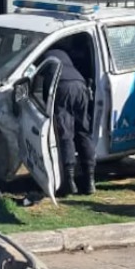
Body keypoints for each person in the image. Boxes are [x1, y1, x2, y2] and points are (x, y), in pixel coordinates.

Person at [42, 46, 95, 196]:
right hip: (80, 85)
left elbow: (45, 92)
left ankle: (69, 182)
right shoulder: (64, 54)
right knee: (83, 132)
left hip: (62, 87)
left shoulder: (41, 55)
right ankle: (90, 181)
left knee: (66, 135)